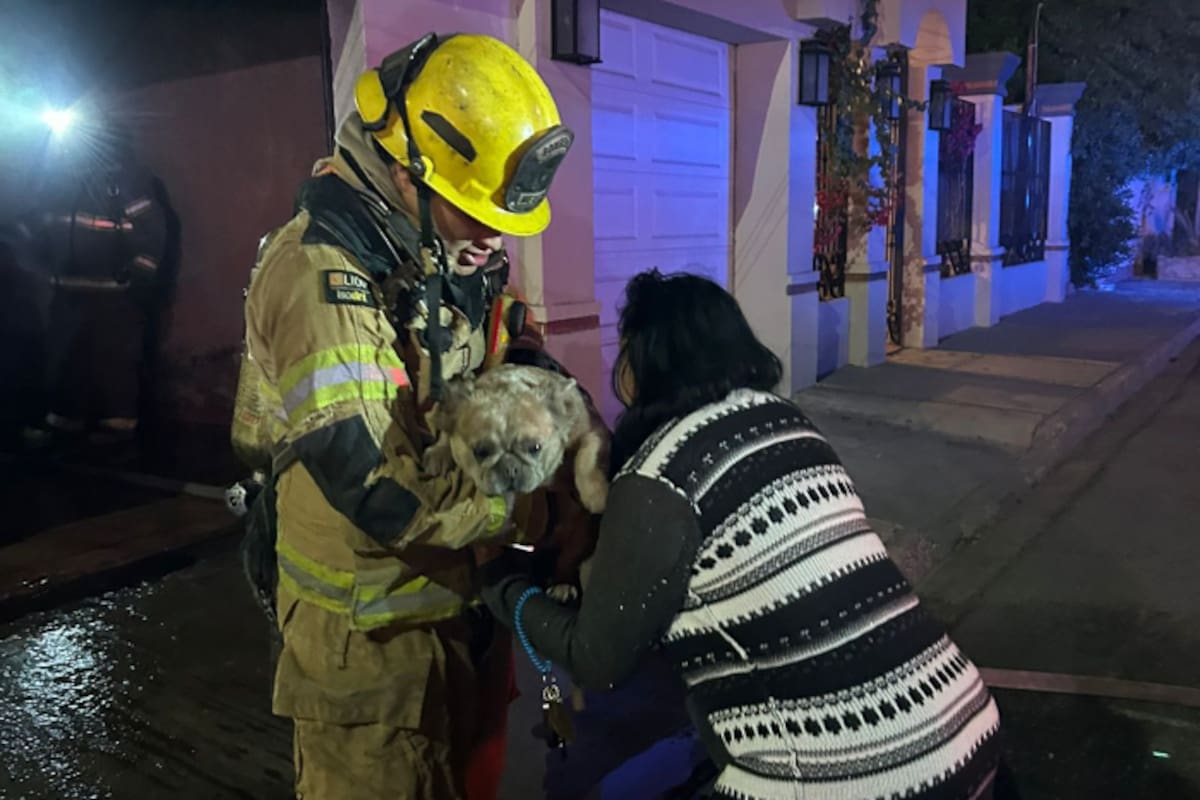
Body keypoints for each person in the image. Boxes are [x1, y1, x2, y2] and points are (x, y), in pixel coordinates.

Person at [480, 269, 1003, 799]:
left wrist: (502, 582)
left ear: (644, 364)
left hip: (856, 777)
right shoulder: (786, 421)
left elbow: (598, 658)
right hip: (965, 727)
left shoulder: (660, 477)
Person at [229, 32, 578, 800]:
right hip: (369, 656)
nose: (495, 241)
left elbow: (498, 336)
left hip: (448, 615)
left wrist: (543, 386)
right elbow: (381, 491)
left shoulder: (437, 252)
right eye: (474, 214)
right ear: (404, 173)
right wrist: (538, 509)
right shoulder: (321, 279)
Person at [24, 123, 170, 445]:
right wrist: (42, 263)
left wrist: (137, 273)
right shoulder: (59, 182)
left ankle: (116, 428)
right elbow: (41, 227)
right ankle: (65, 421)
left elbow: (153, 232)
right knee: (65, 357)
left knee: (113, 360)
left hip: (113, 293)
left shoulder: (124, 183)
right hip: (67, 290)